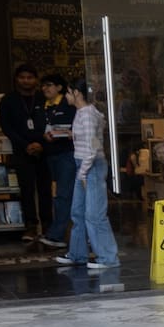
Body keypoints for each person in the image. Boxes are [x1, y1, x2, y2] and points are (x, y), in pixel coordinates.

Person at [53, 78, 119, 270]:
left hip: (90, 166)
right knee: (78, 212)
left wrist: (82, 173)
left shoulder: (87, 114)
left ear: (77, 94)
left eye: (67, 92)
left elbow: (92, 147)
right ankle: (77, 254)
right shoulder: (83, 113)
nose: (65, 96)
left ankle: (108, 258)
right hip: (84, 165)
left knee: (94, 214)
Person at [0, 64, 49, 242]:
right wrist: (25, 145)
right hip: (21, 150)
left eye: (30, 77)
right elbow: (6, 127)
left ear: (36, 80)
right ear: (16, 79)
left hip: (44, 149)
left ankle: (48, 224)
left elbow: (52, 122)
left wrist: (40, 143)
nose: (26, 81)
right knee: (26, 189)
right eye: (22, 77)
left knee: (45, 189)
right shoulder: (8, 100)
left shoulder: (43, 98)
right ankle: (31, 225)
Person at [38, 73, 76, 249]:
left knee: (63, 194)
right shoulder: (42, 106)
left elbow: (75, 129)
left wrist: (60, 134)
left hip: (66, 154)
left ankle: (57, 234)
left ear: (60, 87)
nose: (46, 88)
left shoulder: (68, 105)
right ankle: (57, 231)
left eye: (50, 85)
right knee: (55, 194)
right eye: (44, 85)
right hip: (49, 154)